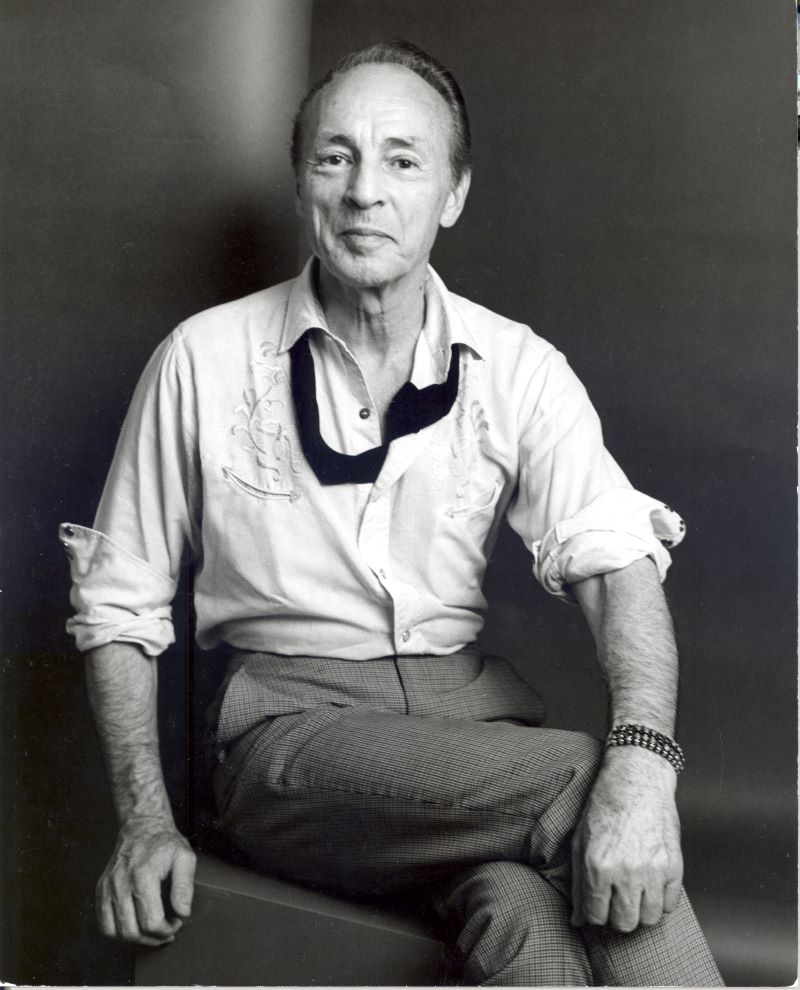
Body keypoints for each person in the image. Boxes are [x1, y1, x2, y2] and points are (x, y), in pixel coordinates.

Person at [60, 41, 723, 986]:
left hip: (467, 738)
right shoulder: (201, 360)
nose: (365, 189)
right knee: (585, 779)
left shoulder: (519, 366)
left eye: (403, 160)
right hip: (288, 742)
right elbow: (119, 604)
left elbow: (616, 563)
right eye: (336, 157)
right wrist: (145, 824)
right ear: (300, 188)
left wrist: (649, 753)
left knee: (529, 917)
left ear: (451, 196)